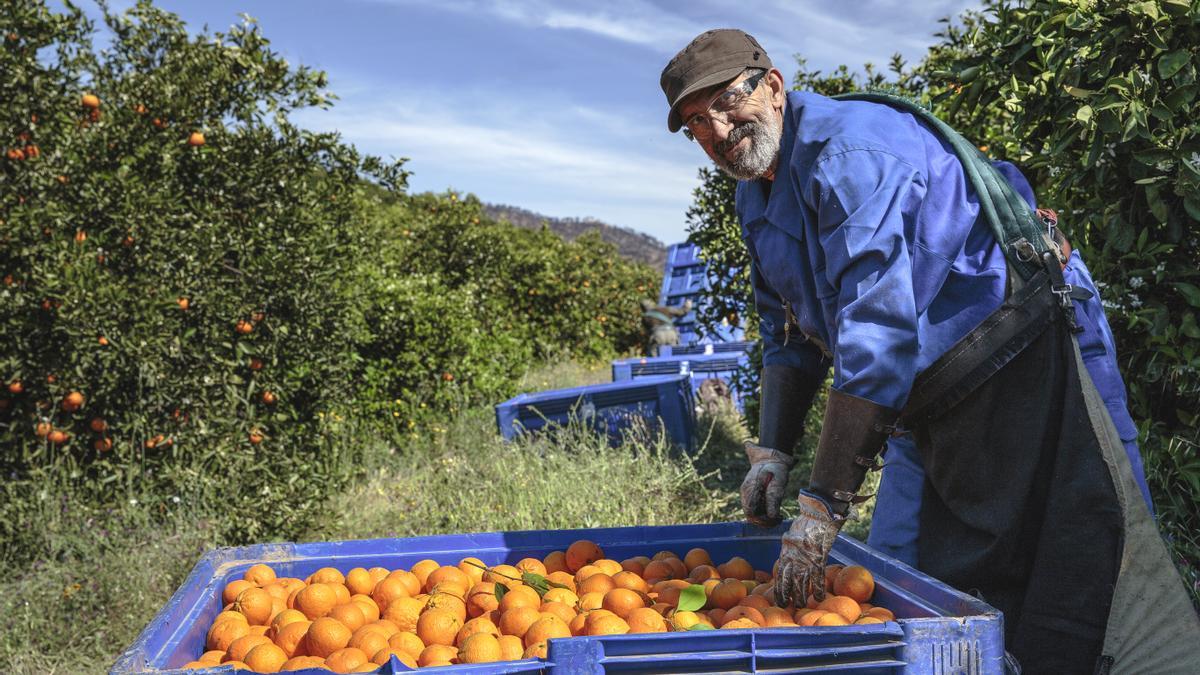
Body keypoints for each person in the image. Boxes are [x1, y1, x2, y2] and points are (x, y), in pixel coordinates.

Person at [660, 28, 1200, 672]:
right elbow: (785, 328)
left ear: (772, 88)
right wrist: (773, 451)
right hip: (921, 391)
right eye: (697, 122)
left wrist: (822, 503)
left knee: (1089, 547)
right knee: (903, 572)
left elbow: (877, 333)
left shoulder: (849, 154)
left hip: (1025, 345)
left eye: (726, 103)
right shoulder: (756, 194)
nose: (718, 130)